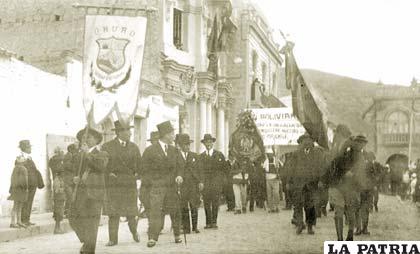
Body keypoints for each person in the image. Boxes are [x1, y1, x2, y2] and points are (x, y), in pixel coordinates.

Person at [141, 121, 184, 248]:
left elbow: (181, 166)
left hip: (172, 186)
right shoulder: (150, 150)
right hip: (157, 186)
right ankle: (153, 237)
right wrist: (151, 183)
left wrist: (180, 175)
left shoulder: (174, 150)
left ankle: (177, 235)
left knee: (175, 210)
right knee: (155, 211)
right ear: (165, 135)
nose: (173, 136)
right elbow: (144, 169)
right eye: (172, 134)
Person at [101, 120, 142, 246]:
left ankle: (134, 231)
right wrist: (108, 174)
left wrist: (137, 175)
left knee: (131, 213)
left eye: (129, 130)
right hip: (114, 185)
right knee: (113, 213)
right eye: (127, 131)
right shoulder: (107, 147)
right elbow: (102, 166)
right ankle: (113, 239)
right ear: (119, 132)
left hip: (129, 184)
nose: (130, 133)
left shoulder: (134, 147)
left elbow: (140, 165)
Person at [69, 127, 108, 254]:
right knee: (73, 218)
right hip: (80, 193)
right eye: (83, 138)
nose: (85, 140)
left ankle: (89, 249)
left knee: (92, 222)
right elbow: (73, 172)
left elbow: (100, 167)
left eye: (88, 137)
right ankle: (87, 241)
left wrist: (87, 154)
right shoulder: (79, 155)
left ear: (96, 140)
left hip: (95, 193)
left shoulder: (102, 154)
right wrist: (74, 179)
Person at [322, 134, 368, 241]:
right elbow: (331, 168)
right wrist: (324, 180)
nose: (360, 146)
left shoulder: (361, 157)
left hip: (352, 188)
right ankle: (340, 239)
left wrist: (354, 176)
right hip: (338, 187)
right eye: (358, 143)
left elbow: (362, 174)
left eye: (362, 144)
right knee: (338, 213)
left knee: (351, 212)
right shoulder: (340, 156)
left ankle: (350, 234)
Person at [287, 134, 325, 235]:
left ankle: (310, 226)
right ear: (301, 143)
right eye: (305, 141)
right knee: (298, 205)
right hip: (298, 184)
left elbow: (321, 168)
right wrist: (288, 182)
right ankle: (299, 224)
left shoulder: (317, 154)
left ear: (312, 143)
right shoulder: (296, 154)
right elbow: (291, 169)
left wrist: (321, 180)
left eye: (309, 140)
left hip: (312, 184)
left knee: (310, 206)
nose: (307, 143)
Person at [199, 134, 226, 229]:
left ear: (213, 143)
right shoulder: (201, 157)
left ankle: (214, 222)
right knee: (206, 203)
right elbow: (200, 171)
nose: (208, 144)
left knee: (215, 203)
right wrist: (201, 182)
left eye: (210, 142)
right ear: (204, 144)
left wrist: (221, 182)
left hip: (216, 183)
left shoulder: (219, 155)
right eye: (206, 142)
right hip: (206, 184)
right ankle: (208, 222)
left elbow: (224, 169)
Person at [178, 133, 202, 234]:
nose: (187, 146)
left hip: (193, 184)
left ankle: (195, 227)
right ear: (180, 145)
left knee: (194, 205)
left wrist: (201, 181)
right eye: (185, 144)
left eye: (188, 144)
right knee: (183, 206)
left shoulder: (194, 156)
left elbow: (200, 169)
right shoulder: (177, 156)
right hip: (182, 185)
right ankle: (186, 228)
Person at [18, 140, 44, 226]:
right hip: (26, 184)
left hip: (33, 184)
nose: (30, 148)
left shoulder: (29, 157)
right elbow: (20, 170)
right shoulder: (20, 157)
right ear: (25, 148)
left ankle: (27, 219)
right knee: (25, 201)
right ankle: (23, 220)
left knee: (29, 201)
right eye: (29, 147)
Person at [138, 131, 159, 219]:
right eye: (154, 140)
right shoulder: (148, 151)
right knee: (146, 200)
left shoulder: (164, 150)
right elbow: (142, 166)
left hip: (158, 182)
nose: (156, 142)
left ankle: (157, 226)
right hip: (148, 182)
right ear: (151, 141)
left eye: (157, 140)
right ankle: (152, 225)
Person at [49, 147, 66, 234]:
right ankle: (57, 228)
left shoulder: (52, 160)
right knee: (60, 204)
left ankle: (58, 227)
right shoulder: (58, 161)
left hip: (57, 183)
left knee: (58, 204)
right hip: (59, 183)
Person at [9, 156, 29, 228]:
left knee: (15, 205)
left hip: (15, 189)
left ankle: (15, 222)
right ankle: (16, 222)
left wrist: (11, 188)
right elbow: (25, 180)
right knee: (19, 206)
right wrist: (26, 188)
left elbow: (12, 179)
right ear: (23, 162)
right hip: (21, 189)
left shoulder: (15, 168)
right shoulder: (24, 169)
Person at [63, 143, 79, 217]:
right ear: (71, 149)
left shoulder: (70, 155)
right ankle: (67, 212)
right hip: (68, 180)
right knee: (70, 197)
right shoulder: (69, 155)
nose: (77, 151)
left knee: (70, 197)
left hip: (70, 180)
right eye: (75, 149)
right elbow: (68, 166)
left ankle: (67, 212)